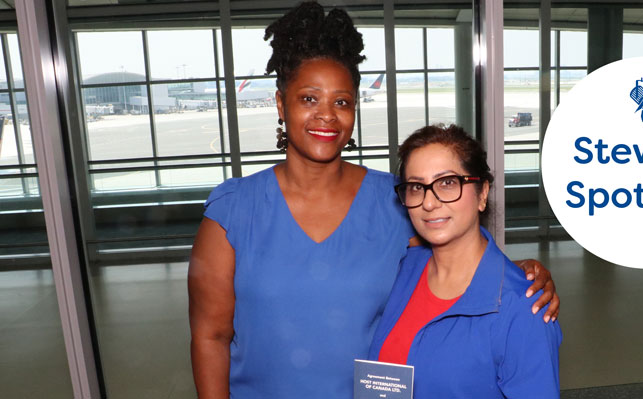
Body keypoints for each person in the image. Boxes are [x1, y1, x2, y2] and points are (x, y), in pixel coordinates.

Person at [187, 2, 559, 397]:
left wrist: (520, 278)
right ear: (281, 104)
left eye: (342, 101)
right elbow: (210, 336)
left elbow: (453, 269)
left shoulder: (397, 200)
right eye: (309, 99)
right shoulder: (233, 210)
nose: (327, 115)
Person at [369, 124, 561, 398]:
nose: (429, 202)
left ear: (482, 193)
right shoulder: (404, 268)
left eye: (447, 183)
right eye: (416, 186)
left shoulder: (523, 308)